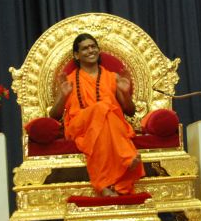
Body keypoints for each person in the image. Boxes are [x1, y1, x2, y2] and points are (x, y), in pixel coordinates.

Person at [50, 33, 144, 196]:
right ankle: (126, 158)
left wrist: (124, 93)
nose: (90, 50)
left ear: (98, 50)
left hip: (109, 126)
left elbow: (130, 111)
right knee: (103, 108)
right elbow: (54, 115)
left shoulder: (113, 77)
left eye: (93, 46)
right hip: (80, 126)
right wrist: (63, 95)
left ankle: (105, 185)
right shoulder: (70, 80)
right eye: (85, 48)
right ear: (77, 55)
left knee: (104, 119)